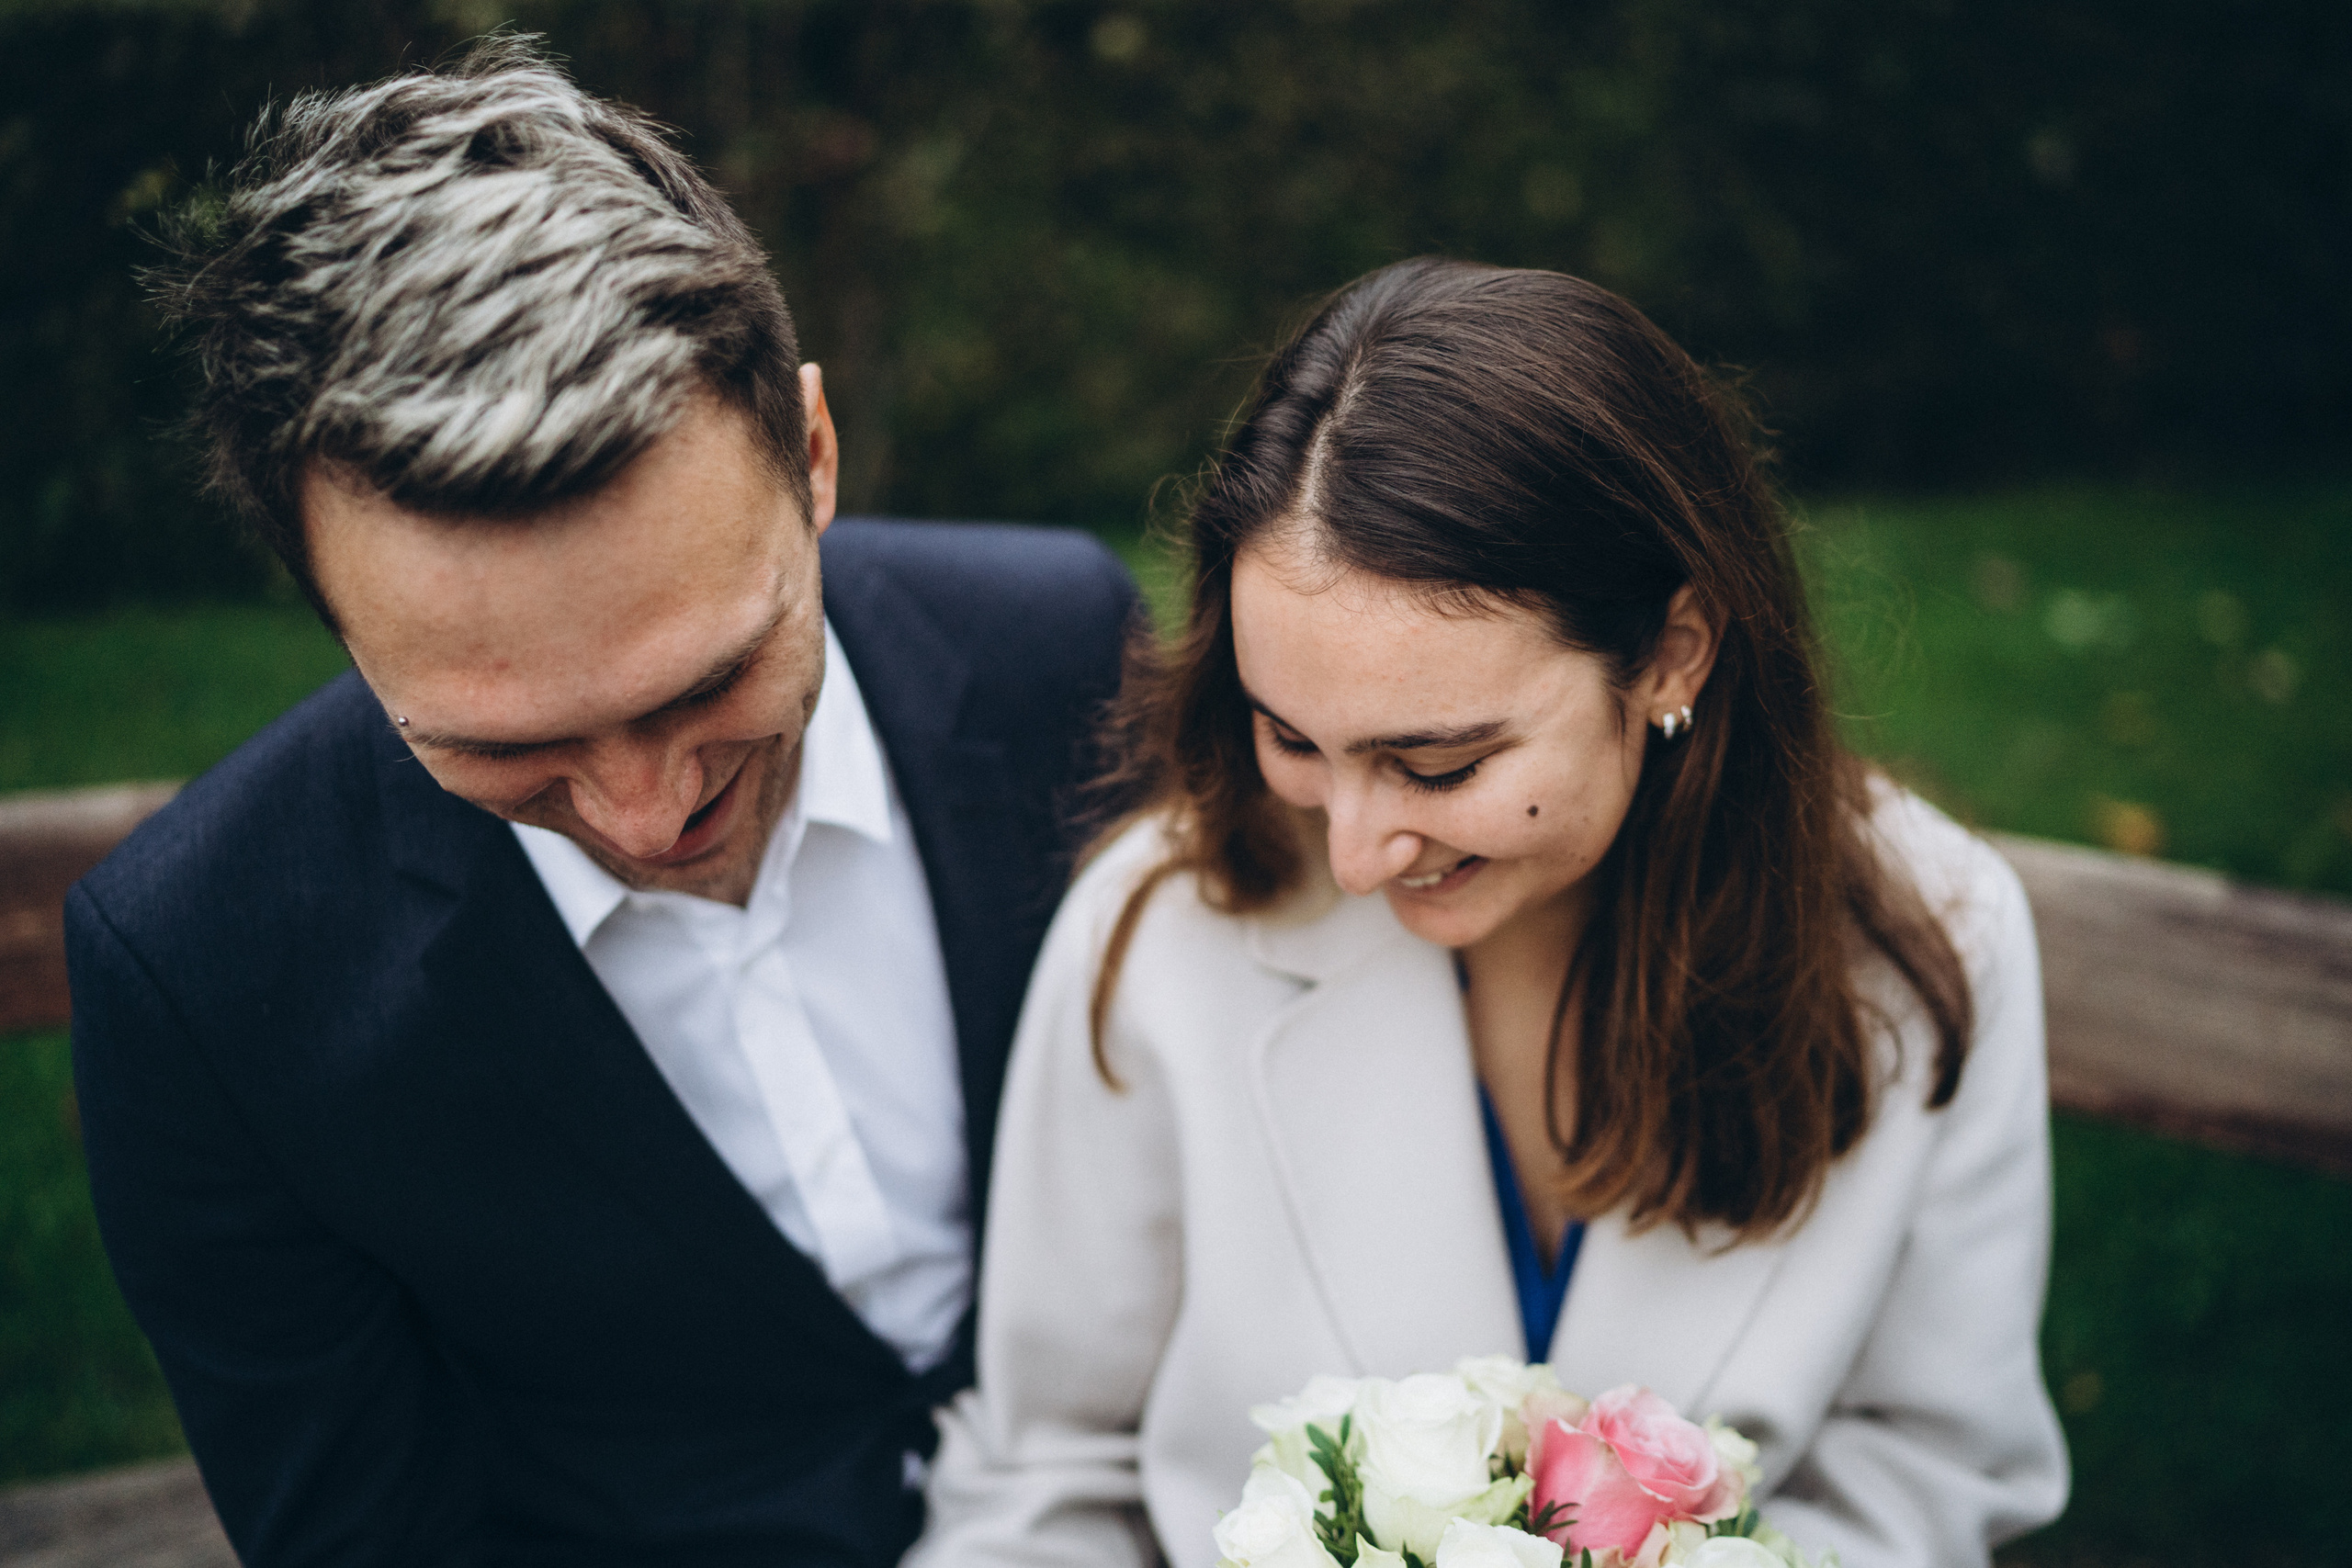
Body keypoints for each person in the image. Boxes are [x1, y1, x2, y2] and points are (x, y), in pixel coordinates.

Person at [66, 39, 1136, 1568]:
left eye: (707, 680)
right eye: (505, 741)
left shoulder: (1061, 650)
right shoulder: (204, 971)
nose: (643, 813)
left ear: (813, 457)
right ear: (334, 617)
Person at [908, 259, 2070, 1568]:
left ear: (1673, 651)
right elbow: (1046, 1477)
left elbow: (1929, 1463)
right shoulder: (1161, 925)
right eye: (1291, 736)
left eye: (1440, 763)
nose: (1352, 852)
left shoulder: (1934, 940)